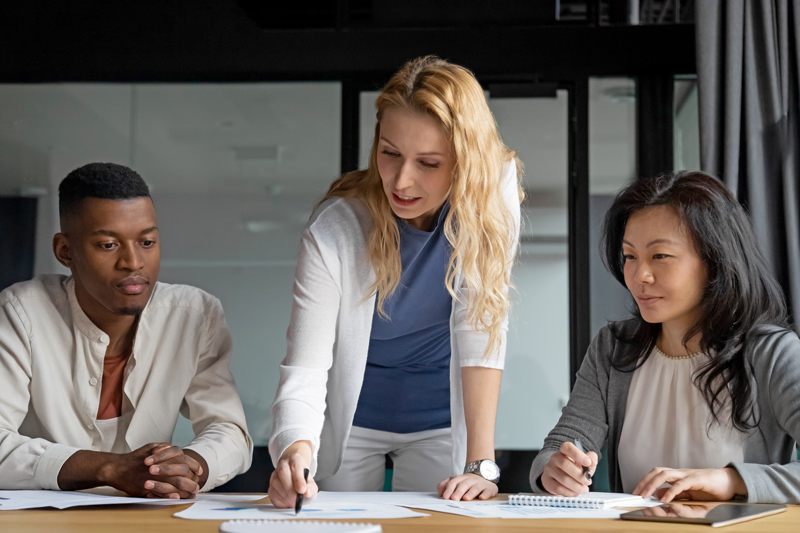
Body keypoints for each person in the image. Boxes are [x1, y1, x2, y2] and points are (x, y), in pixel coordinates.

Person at [267, 56, 523, 507]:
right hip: (354, 417)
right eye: (390, 154)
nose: (402, 181)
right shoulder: (337, 227)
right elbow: (306, 365)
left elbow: (481, 327)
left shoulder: (490, 196)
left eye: (428, 163)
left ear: (465, 163)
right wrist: (295, 454)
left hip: (437, 417)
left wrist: (480, 464)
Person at [529, 171, 800, 504]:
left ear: (714, 261)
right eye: (630, 256)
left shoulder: (773, 353)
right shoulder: (612, 347)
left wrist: (731, 480)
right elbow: (561, 446)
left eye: (660, 256)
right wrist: (556, 471)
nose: (640, 275)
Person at [0, 162, 253, 497]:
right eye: (108, 245)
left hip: (147, 517)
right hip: (42, 518)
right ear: (65, 251)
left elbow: (229, 431)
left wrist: (188, 466)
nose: (133, 262)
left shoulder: (194, 315)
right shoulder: (21, 313)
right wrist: (108, 469)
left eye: (147, 242)